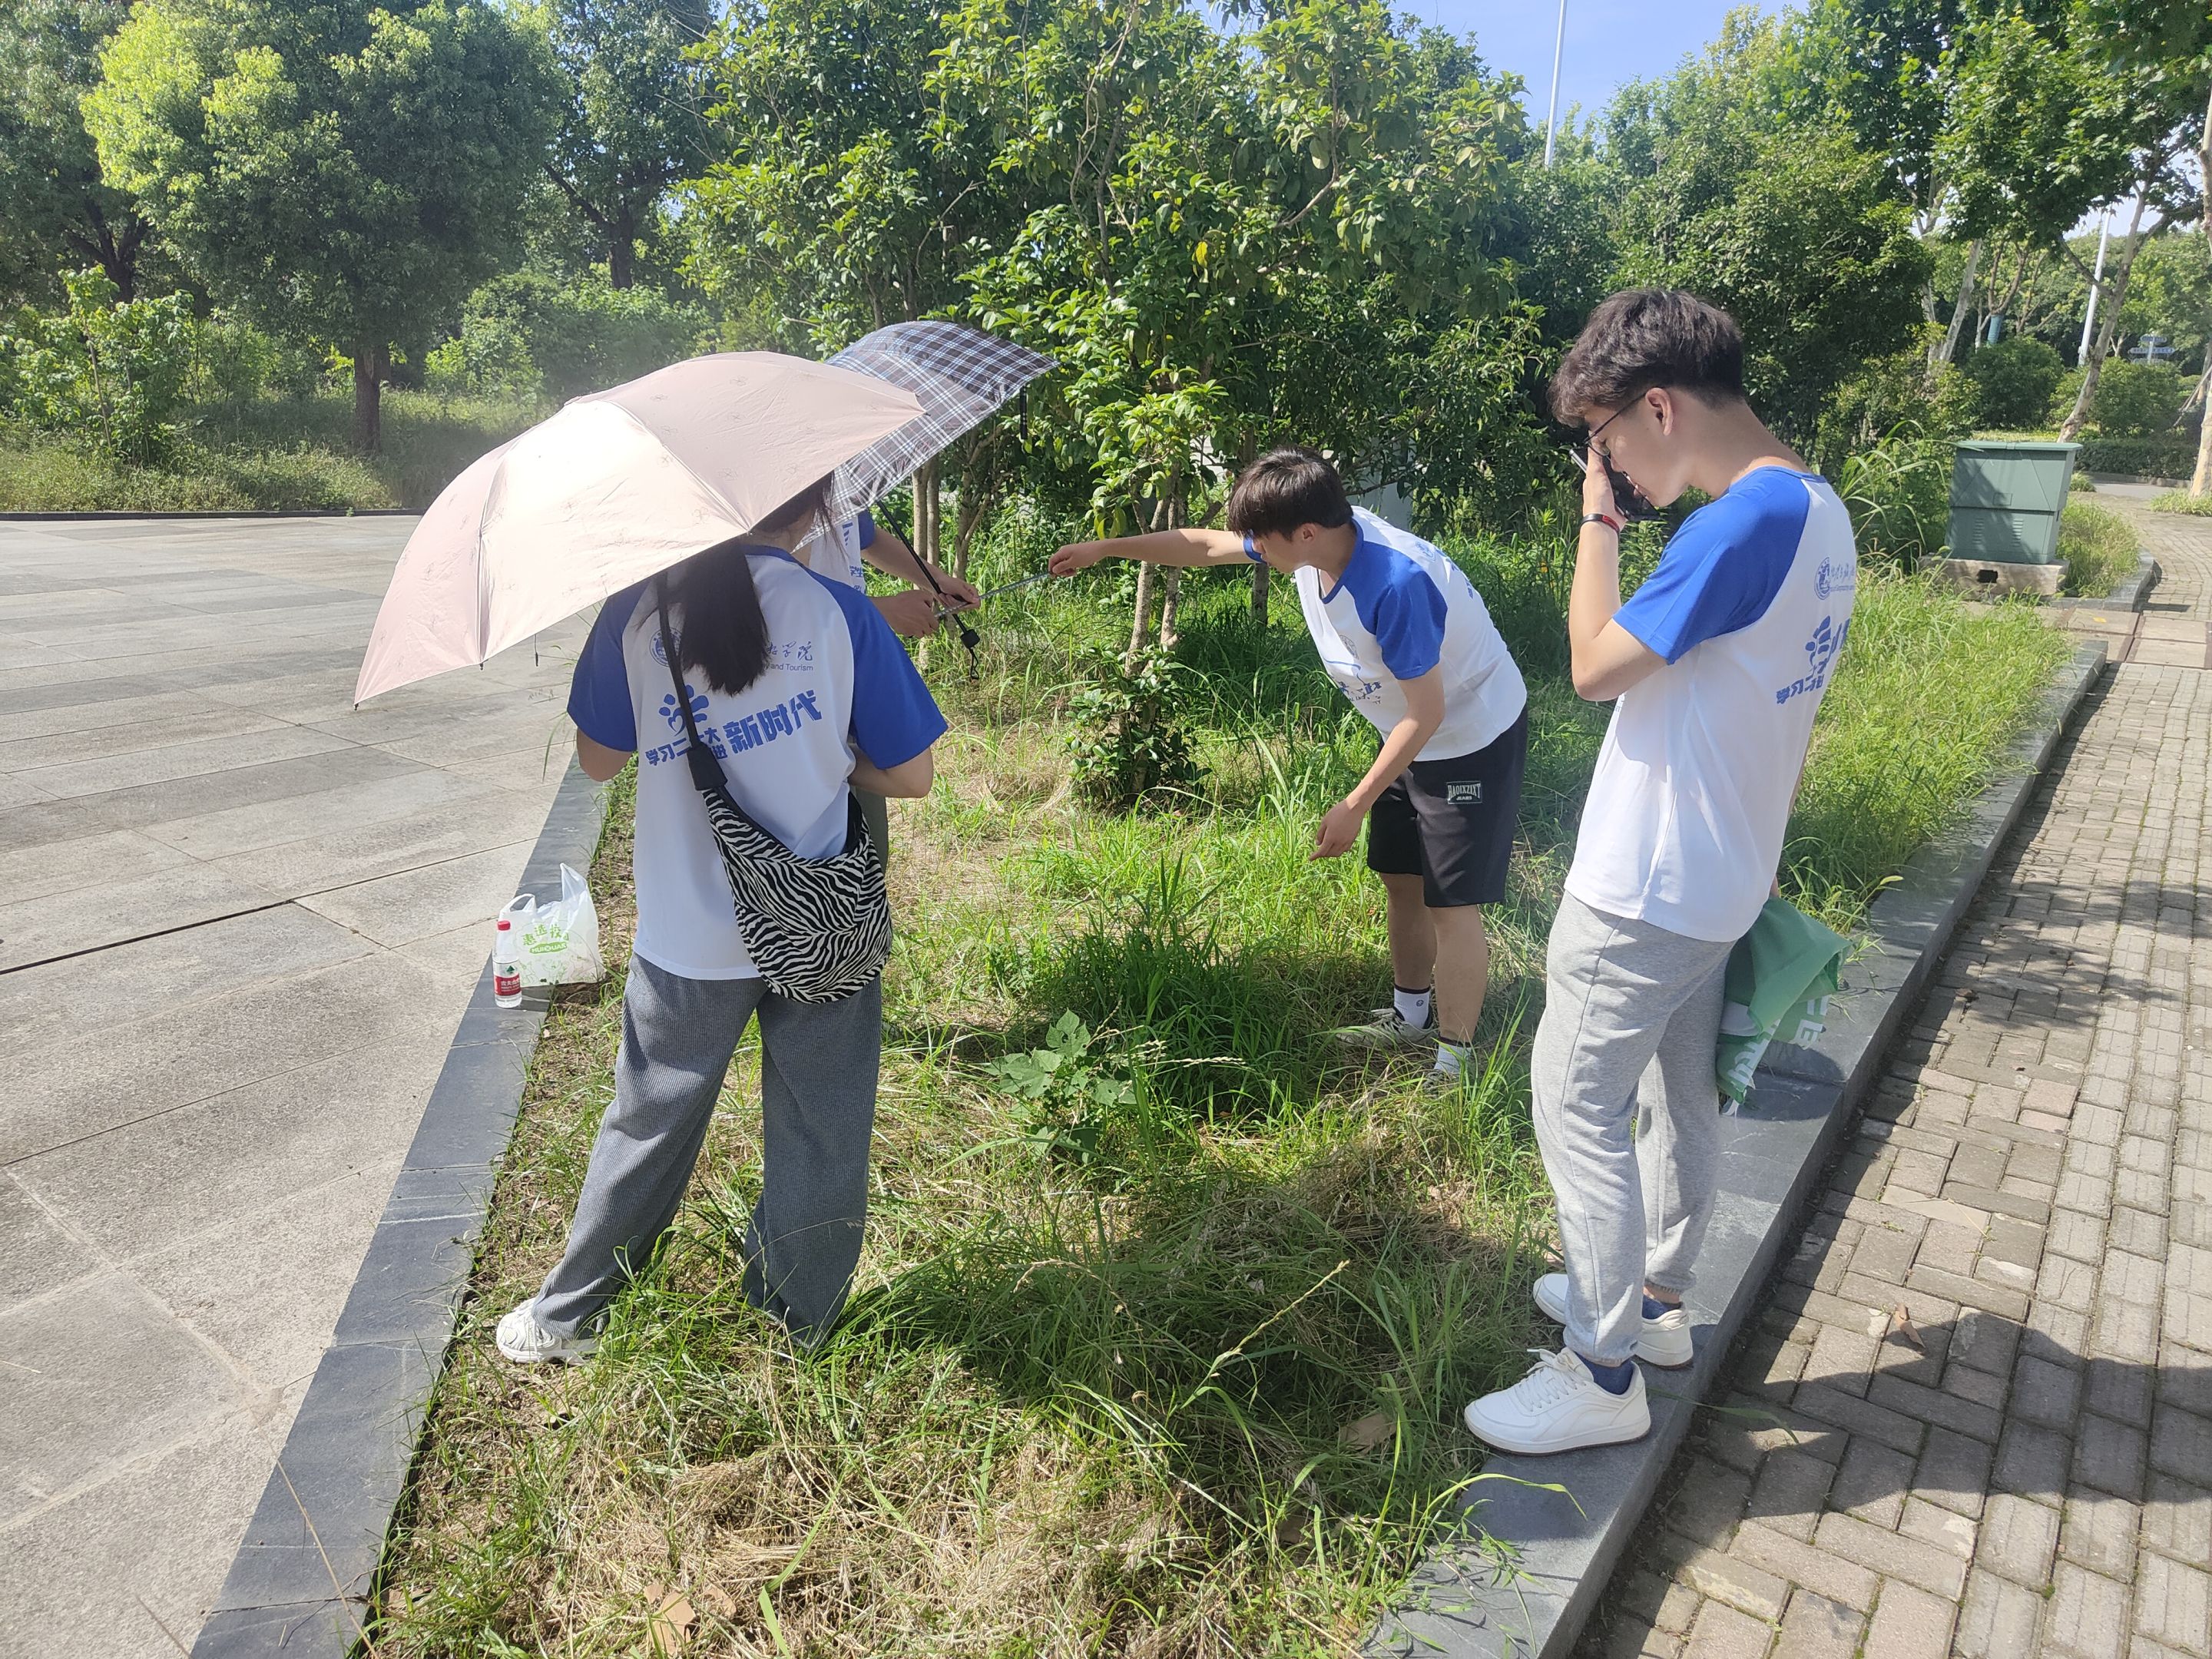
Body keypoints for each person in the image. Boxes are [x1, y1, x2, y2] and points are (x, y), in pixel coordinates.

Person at [1461, 289, 1859, 1455]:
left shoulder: (1733, 527)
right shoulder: (1818, 509)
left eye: (1608, 440)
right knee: (1679, 1096)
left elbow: (1593, 667)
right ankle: (1659, 1303)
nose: (1619, 469)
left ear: (1660, 407)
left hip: (1645, 885)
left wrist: (1599, 523)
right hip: (1723, 875)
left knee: (1574, 1101)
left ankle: (1602, 1371)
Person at [495, 480, 947, 1363]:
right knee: (823, 1122)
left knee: (649, 1120)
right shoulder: (840, 610)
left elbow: (598, 762)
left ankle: (571, 1316)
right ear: (815, 511)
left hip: (686, 932)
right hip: (818, 918)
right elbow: (913, 775)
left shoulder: (635, 612)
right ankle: (793, 1323)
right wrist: (825, 754)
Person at [1048, 449, 1528, 1087]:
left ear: (1305, 533)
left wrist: (1354, 804)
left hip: (1468, 735)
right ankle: (1409, 1014)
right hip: (1403, 732)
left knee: (1452, 901)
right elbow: (1202, 546)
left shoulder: (1394, 585)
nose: (1253, 548)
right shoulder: (1314, 543)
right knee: (1400, 877)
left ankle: (1455, 1062)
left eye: (1261, 539)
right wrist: (1106, 549)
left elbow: (1429, 712)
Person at [798, 508, 979, 866]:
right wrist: (878, 611)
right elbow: (773, 586)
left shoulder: (845, 485)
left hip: (852, 666)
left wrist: (936, 580)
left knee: (869, 849)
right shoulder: (785, 495)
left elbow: (867, 536)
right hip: (806, 674)